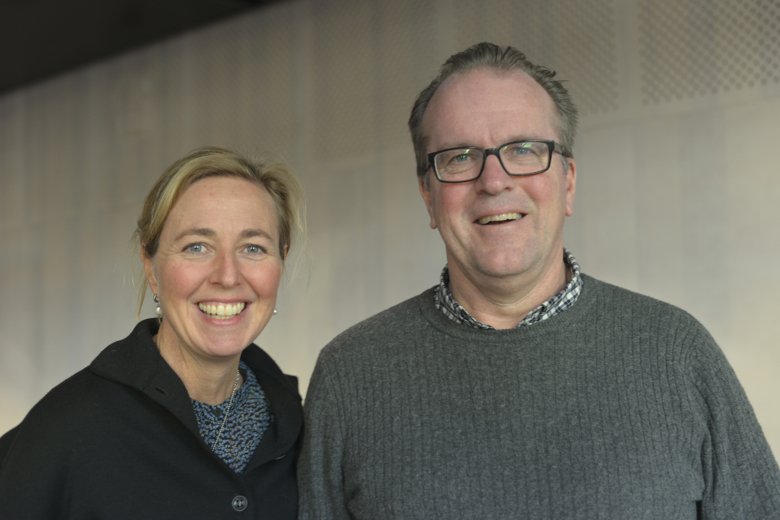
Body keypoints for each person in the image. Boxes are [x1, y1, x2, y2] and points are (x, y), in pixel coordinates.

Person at [297, 42, 780, 519]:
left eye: (525, 149)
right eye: (460, 157)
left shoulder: (677, 352)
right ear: (428, 195)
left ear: (568, 181)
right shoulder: (350, 375)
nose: (494, 181)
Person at [0, 146, 304, 519]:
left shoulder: (301, 431)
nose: (227, 275)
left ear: (281, 261)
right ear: (150, 265)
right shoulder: (66, 430)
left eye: (253, 248)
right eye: (197, 247)